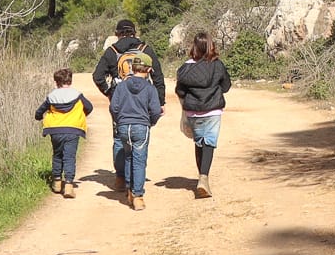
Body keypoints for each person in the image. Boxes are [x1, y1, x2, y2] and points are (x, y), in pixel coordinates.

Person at [174, 29, 232, 198]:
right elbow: (226, 86)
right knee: (209, 143)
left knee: (199, 142)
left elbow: (180, 91)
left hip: (193, 112)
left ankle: (202, 176)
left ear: (194, 47)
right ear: (210, 46)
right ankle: (203, 178)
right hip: (213, 110)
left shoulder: (185, 68)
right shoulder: (217, 65)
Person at [107, 47, 163, 209]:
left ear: (132, 67)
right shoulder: (150, 88)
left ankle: (129, 190)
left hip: (124, 126)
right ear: (149, 70)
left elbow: (113, 107)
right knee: (139, 160)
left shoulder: (121, 86)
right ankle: (137, 195)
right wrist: (151, 122)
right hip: (141, 126)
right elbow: (155, 110)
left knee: (128, 157)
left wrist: (120, 121)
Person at [33, 67, 92, 198]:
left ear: (56, 82)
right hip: (73, 129)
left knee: (57, 155)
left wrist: (39, 117)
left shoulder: (51, 97)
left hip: (55, 130)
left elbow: (39, 112)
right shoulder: (77, 95)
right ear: (70, 81)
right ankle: (69, 185)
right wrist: (80, 115)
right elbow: (89, 107)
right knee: (69, 157)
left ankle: (57, 183)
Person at [93, 17, 165, 103]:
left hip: (120, 99)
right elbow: (158, 77)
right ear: (134, 33)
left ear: (117, 34)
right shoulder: (145, 49)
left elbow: (98, 76)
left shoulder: (112, 51)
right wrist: (160, 101)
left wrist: (110, 93)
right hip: (144, 97)